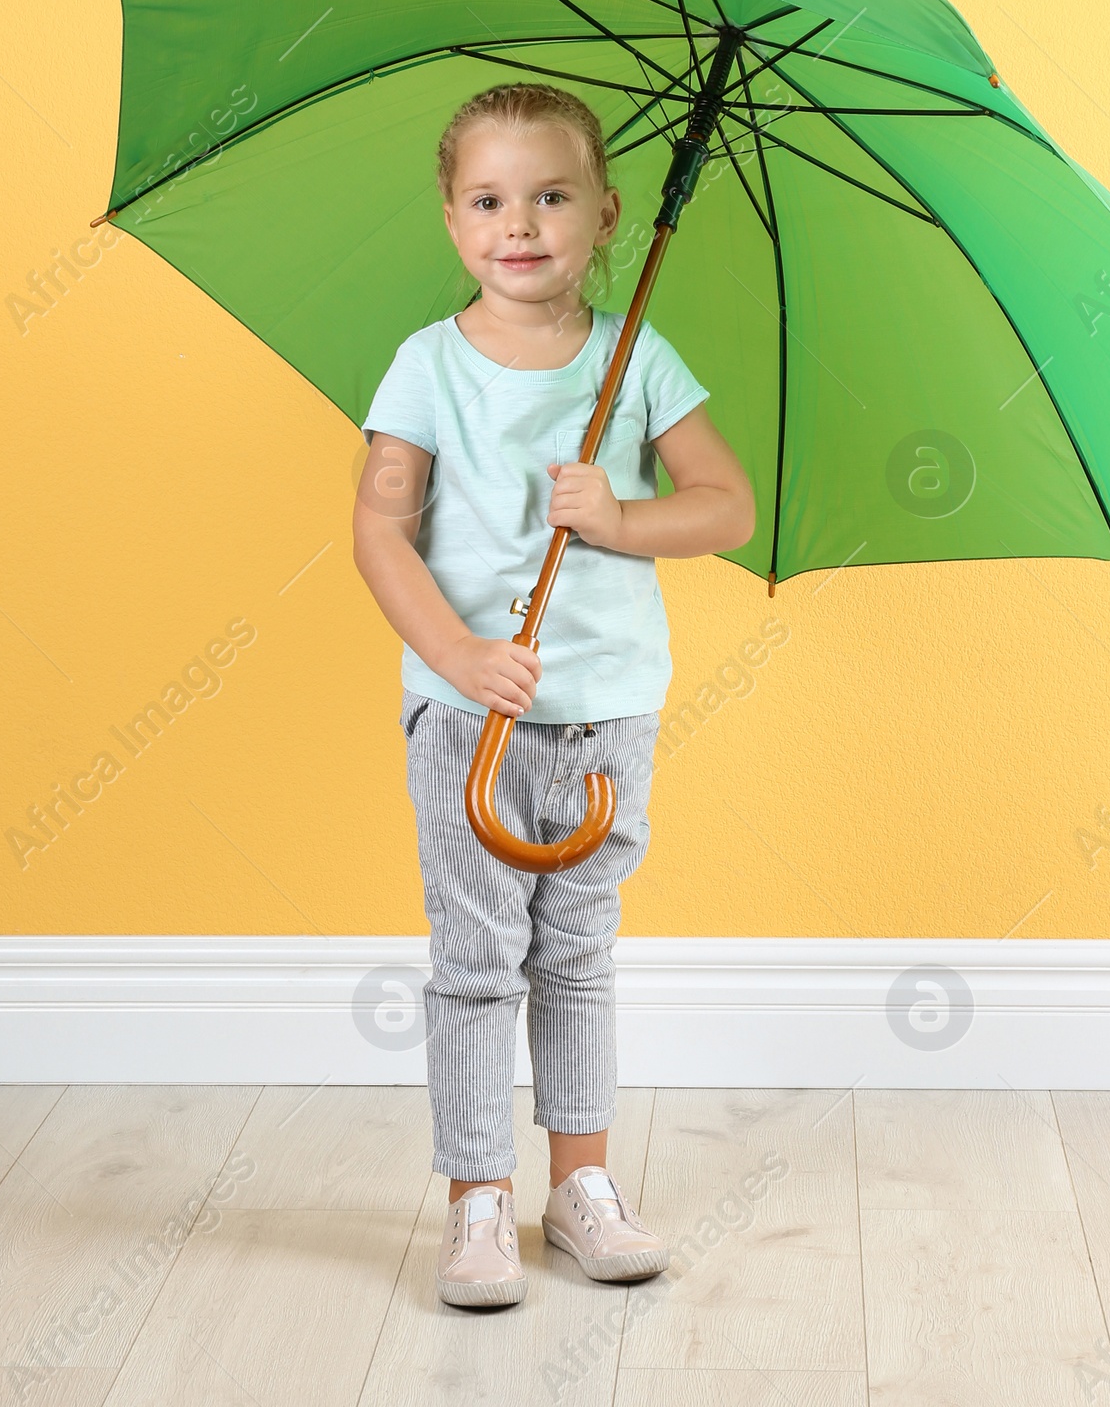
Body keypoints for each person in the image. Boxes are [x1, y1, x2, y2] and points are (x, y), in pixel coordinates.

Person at [352, 81, 756, 1310]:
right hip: (470, 717)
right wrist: (462, 660)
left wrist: (621, 516)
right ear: (450, 218)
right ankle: (477, 1198)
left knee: (576, 955)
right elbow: (379, 533)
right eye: (487, 199)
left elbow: (725, 507)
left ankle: (579, 1189)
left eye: (548, 195)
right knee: (476, 959)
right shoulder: (427, 365)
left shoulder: (636, 364)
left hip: (604, 712)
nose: (516, 223)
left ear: (608, 214)